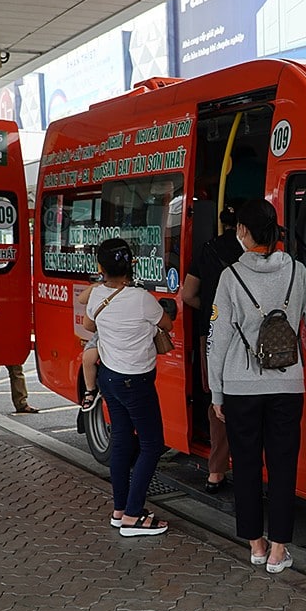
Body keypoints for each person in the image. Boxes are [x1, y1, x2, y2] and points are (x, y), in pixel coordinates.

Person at [207, 199, 306, 573]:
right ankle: (279, 550)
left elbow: (219, 338)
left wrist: (216, 392)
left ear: (243, 232)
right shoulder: (297, 272)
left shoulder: (230, 277)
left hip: (240, 387)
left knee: (244, 465)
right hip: (287, 386)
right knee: (282, 465)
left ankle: (256, 546)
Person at [82, 238, 173, 537]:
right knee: (152, 444)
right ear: (131, 265)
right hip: (136, 381)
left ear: (100, 268)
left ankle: (120, 511)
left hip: (109, 377)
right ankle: (134, 515)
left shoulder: (96, 296)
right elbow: (167, 324)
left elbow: (89, 326)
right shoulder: (142, 298)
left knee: (121, 440)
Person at [180, 201, 243, 493]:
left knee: (217, 407)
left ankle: (216, 472)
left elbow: (188, 294)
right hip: (249, 338)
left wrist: (211, 310)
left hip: (212, 334)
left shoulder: (207, 249)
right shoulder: (259, 254)